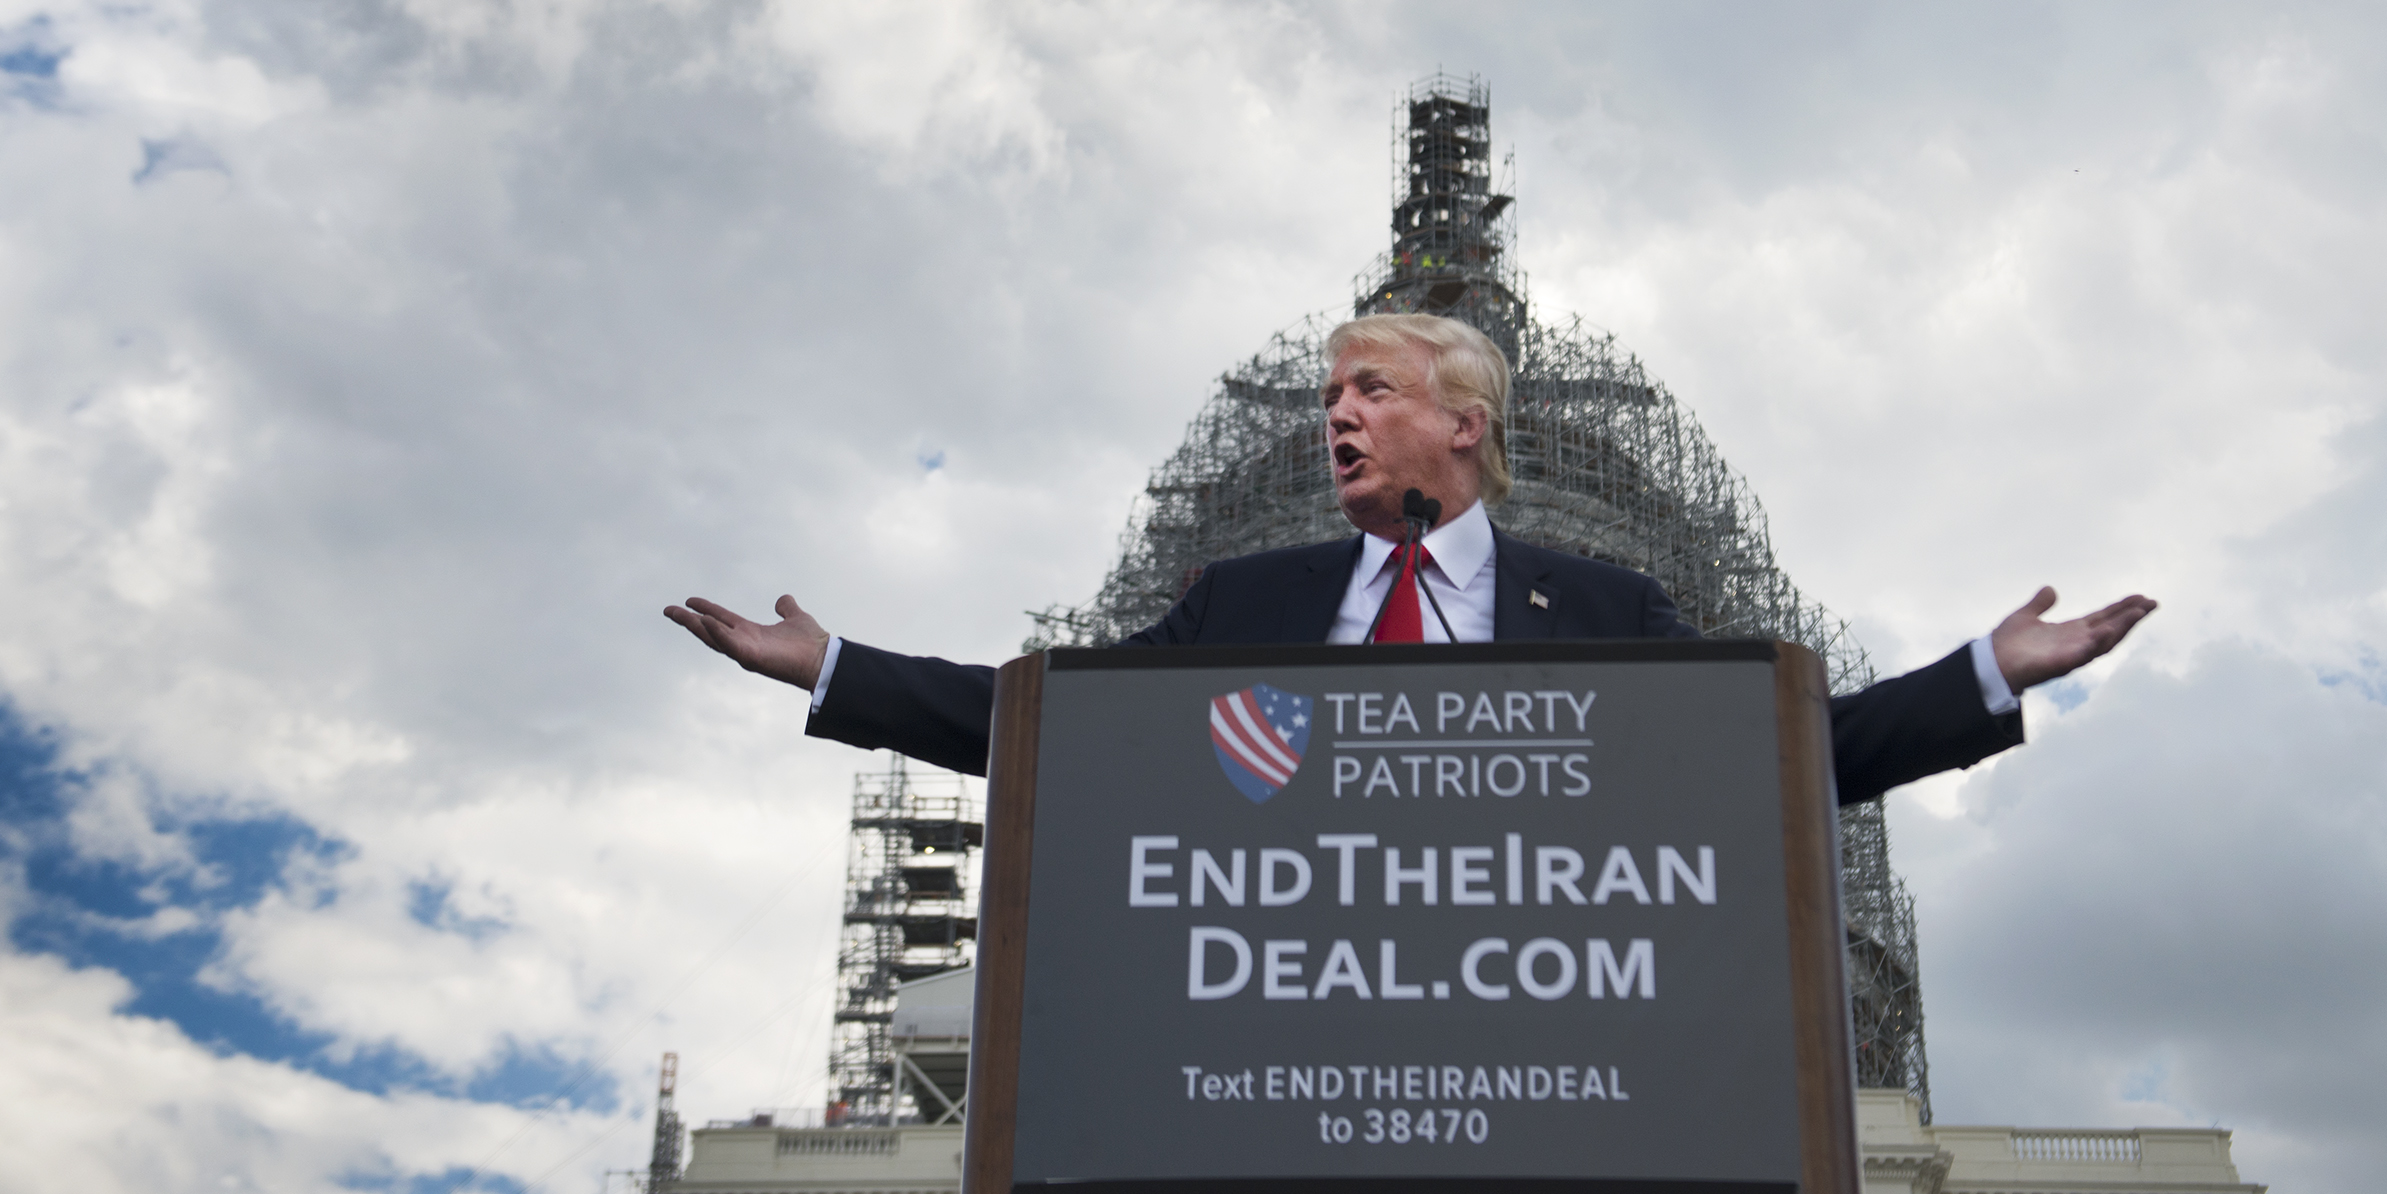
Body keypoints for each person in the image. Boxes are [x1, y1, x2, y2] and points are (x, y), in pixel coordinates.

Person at [667, 314, 2155, 807]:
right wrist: (838, 669)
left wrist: (1982, 675)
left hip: (1535, 1056)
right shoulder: (1239, 603)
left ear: (1464, 420)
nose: (1336, 415)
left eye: (1367, 392)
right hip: (1288, 1050)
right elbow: (1065, 732)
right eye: (1327, 398)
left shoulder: (1611, 607)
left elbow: (1768, 766)